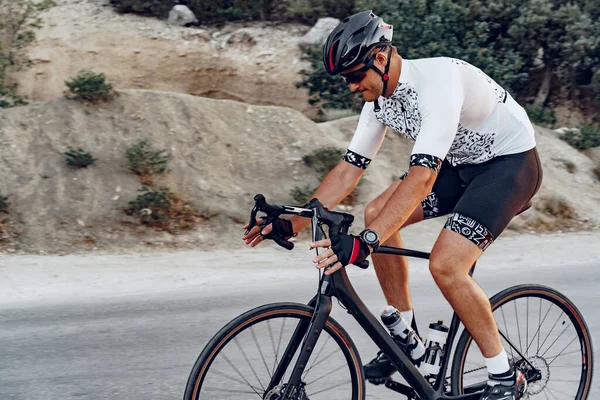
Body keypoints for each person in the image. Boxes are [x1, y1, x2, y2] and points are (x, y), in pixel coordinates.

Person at [242, 10, 541, 400]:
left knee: (446, 265)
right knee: (375, 214)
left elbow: (421, 178)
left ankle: (504, 377)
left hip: (509, 167)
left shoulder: (438, 82)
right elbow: (349, 170)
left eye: (353, 75)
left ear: (380, 59)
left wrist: (364, 243)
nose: (350, 87)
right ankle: (407, 339)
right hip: (463, 165)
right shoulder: (378, 101)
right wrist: (292, 222)